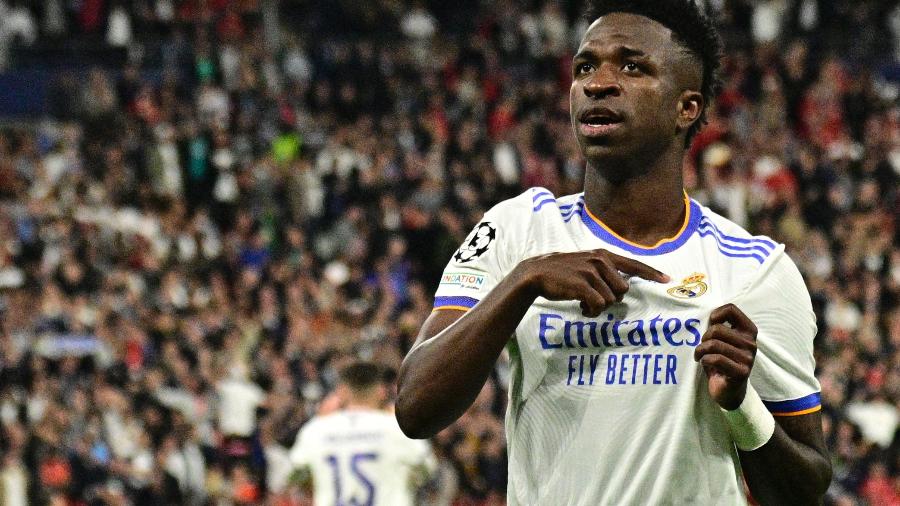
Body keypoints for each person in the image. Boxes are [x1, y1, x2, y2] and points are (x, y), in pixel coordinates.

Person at [395, 1, 833, 504]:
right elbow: (416, 408)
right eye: (585, 67)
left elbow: (805, 488)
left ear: (685, 108)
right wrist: (524, 281)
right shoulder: (518, 231)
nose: (598, 83)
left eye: (632, 66)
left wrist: (740, 405)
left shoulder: (755, 271)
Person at [289, 362, 436, 506]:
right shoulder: (396, 428)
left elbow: (295, 476)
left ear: (341, 392)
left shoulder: (316, 430)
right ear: (380, 391)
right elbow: (427, 470)